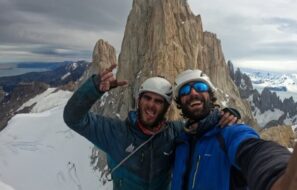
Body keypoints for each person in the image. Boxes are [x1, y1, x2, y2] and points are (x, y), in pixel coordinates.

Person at [63, 64, 238, 190]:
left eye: (158, 101)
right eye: (147, 98)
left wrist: (225, 115)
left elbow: (200, 124)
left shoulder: (174, 132)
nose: (151, 106)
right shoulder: (115, 132)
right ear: (139, 100)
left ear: (166, 107)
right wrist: (94, 88)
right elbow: (73, 118)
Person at [171, 69, 297, 190]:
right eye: (185, 90)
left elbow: (253, 150)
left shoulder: (228, 132)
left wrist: (281, 175)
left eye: (200, 87)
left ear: (210, 95)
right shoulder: (180, 140)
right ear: (180, 102)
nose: (193, 93)